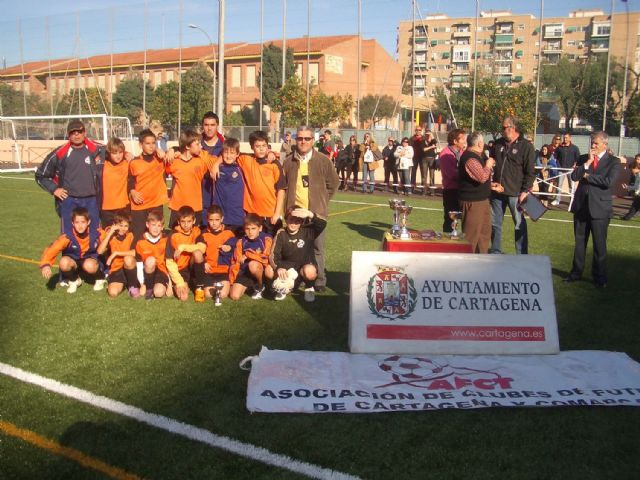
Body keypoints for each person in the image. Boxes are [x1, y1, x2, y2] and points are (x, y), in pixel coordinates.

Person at [282, 125, 339, 292]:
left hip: (315, 214)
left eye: (307, 138)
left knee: (317, 248)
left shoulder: (323, 160)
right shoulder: (288, 162)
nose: (303, 141)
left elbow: (333, 184)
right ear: (295, 139)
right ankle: (299, 278)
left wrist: (322, 201)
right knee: (295, 249)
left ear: (312, 140)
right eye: (300, 138)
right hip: (294, 215)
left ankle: (320, 280)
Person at [35, 119, 105, 246]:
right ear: (68, 135)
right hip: (69, 201)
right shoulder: (60, 153)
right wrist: (54, 189)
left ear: (85, 133)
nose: (77, 135)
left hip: (92, 201)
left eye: (79, 131)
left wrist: (127, 154)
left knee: (95, 237)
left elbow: (117, 151)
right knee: (68, 239)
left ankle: (95, 264)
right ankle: (68, 264)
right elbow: (40, 175)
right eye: (73, 132)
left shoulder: (98, 150)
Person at [565, 132, 621, 288]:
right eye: (592, 143)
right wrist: (587, 163)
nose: (593, 146)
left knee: (599, 245)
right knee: (579, 243)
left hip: (600, 209)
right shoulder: (584, 158)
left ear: (605, 144)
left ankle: (600, 277)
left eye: (596, 143)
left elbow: (608, 182)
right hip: (581, 207)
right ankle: (576, 273)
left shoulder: (613, 162)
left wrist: (588, 177)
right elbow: (575, 177)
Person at [225, 130, 286, 236]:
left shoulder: (274, 164)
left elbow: (281, 190)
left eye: (264, 145)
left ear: (268, 146)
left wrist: (277, 213)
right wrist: (216, 164)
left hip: (271, 217)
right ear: (252, 147)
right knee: (253, 249)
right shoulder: (245, 160)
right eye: (257, 146)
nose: (261, 149)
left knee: (272, 249)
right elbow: (229, 154)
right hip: (253, 217)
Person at [490, 115, 535, 255]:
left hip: (516, 194)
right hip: (497, 193)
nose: (502, 130)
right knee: (495, 224)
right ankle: (496, 252)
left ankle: (521, 255)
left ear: (512, 128)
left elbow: (530, 172)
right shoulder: (497, 144)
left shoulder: (526, 146)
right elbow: (492, 164)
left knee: (519, 225)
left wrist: (525, 191)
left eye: (504, 128)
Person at [39, 207, 103, 294]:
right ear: (72, 223)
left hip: (90, 261)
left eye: (83, 222)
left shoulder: (96, 233)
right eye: (77, 222)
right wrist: (45, 264)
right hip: (74, 262)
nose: (80, 226)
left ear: (88, 222)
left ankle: (100, 278)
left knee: (89, 265)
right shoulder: (67, 237)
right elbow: (52, 249)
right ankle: (74, 280)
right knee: (64, 263)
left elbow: (110, 242)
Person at [270, 207, 327, 302]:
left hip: (303, 268)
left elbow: (323, 223)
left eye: (297, 221)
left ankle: (309, 286)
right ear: (286, 219)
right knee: (269, 270)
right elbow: (273, 255)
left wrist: (310, 214)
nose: (293, 223)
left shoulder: (308, 231)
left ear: (301, 222)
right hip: (288, 268)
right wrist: (278, 267)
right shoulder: (281, 233)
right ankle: (281, 288)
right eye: (291, 219)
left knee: (309, 271)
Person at [165, 129, 217, 228]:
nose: (201, 146)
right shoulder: (173, 161)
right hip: (177, 207)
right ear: (188, 146)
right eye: (197, 144)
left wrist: (174, 148)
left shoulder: (201, 161)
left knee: (194, 238)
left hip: (195, 206)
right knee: (176, 238)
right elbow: (162, 169)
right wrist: (172, 150)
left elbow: (217, 160)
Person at [458, 133, 496, 253]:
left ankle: (482, 263)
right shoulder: (470, 158)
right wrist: (488, 165)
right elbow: (482, 177)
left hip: (482, 200)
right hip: (473, 203)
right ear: (479, 143)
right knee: (471, 237)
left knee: (484, 235)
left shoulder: (477, 156)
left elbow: (480, 180)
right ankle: (468, 266)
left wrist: (491, 186)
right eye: (483, 142)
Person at [128, 129, 168, 240]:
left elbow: (178, 151)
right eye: (147, 143)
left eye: (153, 143)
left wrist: (168, 151)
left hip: (156, 204)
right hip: (139, 205)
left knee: (157, 236)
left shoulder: (161, 159)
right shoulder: (134, 162)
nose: (151, 146)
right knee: (139, 237)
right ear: (141, 145)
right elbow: (130, 181)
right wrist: (132, 191)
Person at [165, 206, 207, 301]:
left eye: (189, 221)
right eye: (183, 222)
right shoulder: (173, 235)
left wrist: (183, 247)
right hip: (179, 270)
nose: (186, 225)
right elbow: (169, 262)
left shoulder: (196, 231)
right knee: (183, 297)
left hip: (191, 267)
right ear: (179, 222)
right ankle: (174, 283)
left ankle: (199, 287)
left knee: (197, 253)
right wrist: (179, 282)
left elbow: (203, 248)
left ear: (194, 221)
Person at [229, 213, 274, 300]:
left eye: (253, 228)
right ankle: (251, 286)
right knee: (234, 296)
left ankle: (260, 286)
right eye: (247, 229)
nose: (250, 232)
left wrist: (248, 255)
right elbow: (236, 261)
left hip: (261, 270)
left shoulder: (266, 239)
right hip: (246, 272)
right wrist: (232, 280)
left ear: (260, 228)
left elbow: (265, 258)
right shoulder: (241, 242)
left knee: (253, 265)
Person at [97, 211, 141, 298]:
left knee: (128, 259)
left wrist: (116, 253)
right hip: (116, 270)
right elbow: (99, 251)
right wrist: (110, 233)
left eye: (126, 226)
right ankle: (123, 283)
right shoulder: (111, 236)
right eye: (120, 225)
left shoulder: (130, 235)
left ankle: (133, 286)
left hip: (129, 266)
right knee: (113, 293)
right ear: (115, 225)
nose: (123, 229)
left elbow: (135, 252)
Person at [196, 205, 236, 300]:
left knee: (222, 295)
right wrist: (204, 262)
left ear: (222, 219)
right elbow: (199, 252)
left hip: (224, 271)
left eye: (217, 220)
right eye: (211, 220)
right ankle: (211, 285)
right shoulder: (203, 234)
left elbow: (237, 248)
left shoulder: (229, 233)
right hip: (210, 271)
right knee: (208, 295)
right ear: (207, 219)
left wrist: (230, 247)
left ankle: (225, 287)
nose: (214, 223)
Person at [135, 211, 171, 300]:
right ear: (147, 225)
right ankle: (149, 288)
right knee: (150, 260)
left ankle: (156, 287)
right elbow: (139, 265)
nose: (156, 228)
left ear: (162, 227)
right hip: (147, 272)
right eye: (153, 225)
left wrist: (170, 284)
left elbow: (170, 262)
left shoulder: (166, 240)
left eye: (159, 226)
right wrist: (142, 283)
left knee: (159, 293)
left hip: (161, 271)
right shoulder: (140, 242)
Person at [212, 137, 245, 235]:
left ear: (237, 154)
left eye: (232, 153)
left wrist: (271, 153)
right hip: (220, 218)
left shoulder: (241, 167)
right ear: (222, 153)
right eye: (226, 152)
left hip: (237, 217)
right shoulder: (216, 167)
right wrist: (215, 164)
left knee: (236, 246)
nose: (228, 156)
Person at [200, 111, 225, 225]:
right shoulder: (195, 144)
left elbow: (239, 154)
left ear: (217, 126)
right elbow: (181, 148)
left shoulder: (225, 145)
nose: (209, 128)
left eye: (212, 125)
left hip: (219, 198)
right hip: (199, 198)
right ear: (202, 126)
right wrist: (172, 150)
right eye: (206, 125)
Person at [439, 128, 466, 232]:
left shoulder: (463, 152)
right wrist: (467, 176)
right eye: (462, 139)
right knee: (450, 219)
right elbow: (451, 174)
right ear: (455, 141)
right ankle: (447, 242)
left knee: (464, 218)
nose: (465, 141)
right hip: (451, 191)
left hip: (462, 190)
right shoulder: (445, 154)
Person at [100, 137, 131, 228]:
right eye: (114, 153)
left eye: (121, 152)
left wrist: (128, 154)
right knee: (108, 236)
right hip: (106, 208)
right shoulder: (103, 165)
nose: (118, 156)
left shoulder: (127, 164)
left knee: (124, 235)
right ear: (109, 153)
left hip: (123, 207)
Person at [552, 132, 581, 206]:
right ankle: (557, 200)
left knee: (571, 185)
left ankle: (572, 200)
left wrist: (574, 166)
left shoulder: (575, 148)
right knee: (559, 185)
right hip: (561, 170)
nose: (565, 139)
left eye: (566, 137)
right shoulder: (559, 147)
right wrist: (558, 166)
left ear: (570, 138)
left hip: (570, 170)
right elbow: (555, 157)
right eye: (564, 137)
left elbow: (578, 159)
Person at [621, 154, 640, 221]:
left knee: (635, 204)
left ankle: (627, 217)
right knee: (635, 205)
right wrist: (628, 187)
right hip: (638, 194)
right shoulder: (637, 175)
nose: (637, 161)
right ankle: (627, 217)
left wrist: (637, 192)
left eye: (638, 159)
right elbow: (636, 185)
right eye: (636, 159)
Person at [422, 130, 438, 195]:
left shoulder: (433, 141)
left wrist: (431, 135)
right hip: (424, 159)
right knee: (424, 176)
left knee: (432, 176)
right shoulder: (422, 141)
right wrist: (431, 147)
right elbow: (423, 149)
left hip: (432, 159)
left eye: (428, 134)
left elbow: (435, 142)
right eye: (426, 134)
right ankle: (424, 191)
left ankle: (432, 191)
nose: (427, 136)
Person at [410, 125, 424, 194]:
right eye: (417, 130)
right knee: (413, 172)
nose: (418, 131)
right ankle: (412, 187)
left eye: (419, 130)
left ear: (421, 131)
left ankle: (422, 189)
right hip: (414, 157)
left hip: (422, 158)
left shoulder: (424, 138)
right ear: (415, 131)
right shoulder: (412, 138)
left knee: (423, 173)